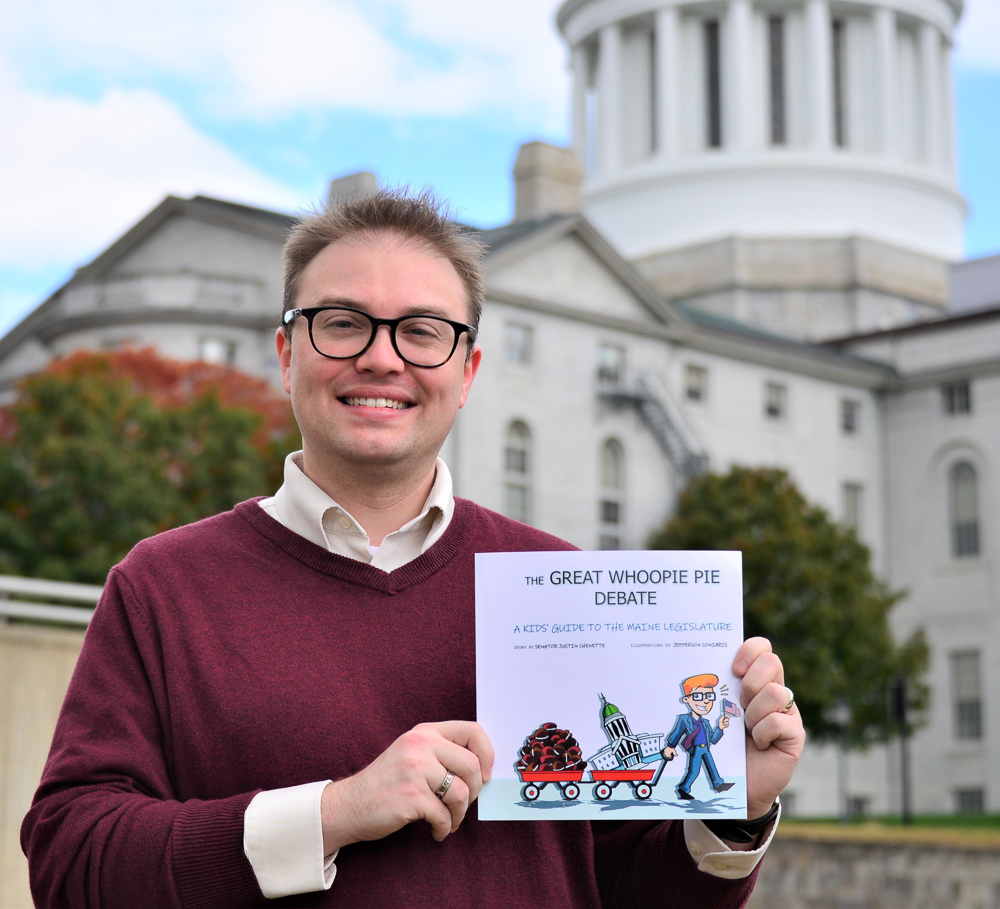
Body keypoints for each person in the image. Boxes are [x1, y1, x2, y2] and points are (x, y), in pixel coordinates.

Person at [22, 189, 805, 908]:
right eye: (342, 322)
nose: (383, 358)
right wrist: (335, 813)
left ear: (465, 373)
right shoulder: (164, 586)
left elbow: (631, 891)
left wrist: (735, 813)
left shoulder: (564, 584)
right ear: (287, 353)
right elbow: (70, 862)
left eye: (422, 332)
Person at [663, 673, 734, 800]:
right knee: (694, 770)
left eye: (709, 696)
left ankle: (718, 784)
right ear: (686, 699)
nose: (705, 700)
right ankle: (683, 788)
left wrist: (720, 727)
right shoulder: (684, 719)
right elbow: (677, 733)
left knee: (712, 766)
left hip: (705, 748)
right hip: (695, 749)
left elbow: (712, 739)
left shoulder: (705, 723)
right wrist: (670, 746)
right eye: (698, 696)